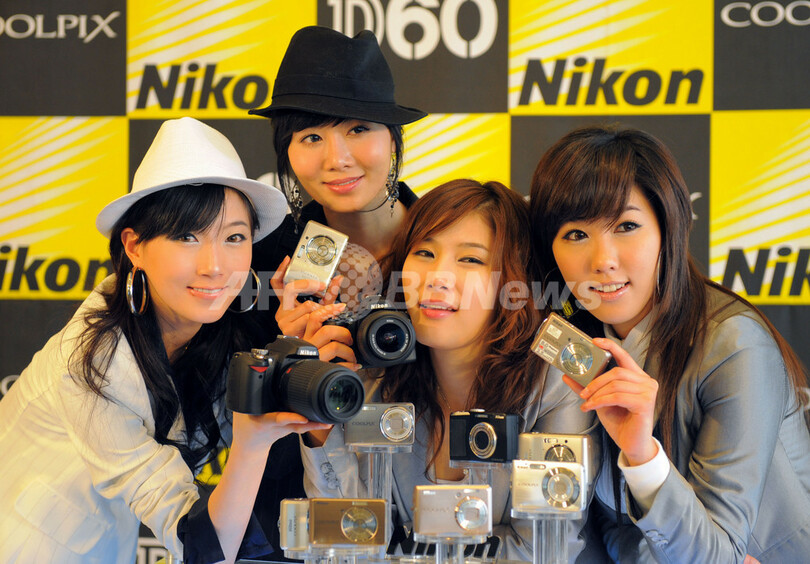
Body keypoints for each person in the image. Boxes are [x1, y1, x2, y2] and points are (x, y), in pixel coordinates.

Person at [0, 117, 333, 563]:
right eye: (186, 236)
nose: (215, 266)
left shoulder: (217, 329)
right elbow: (198, 545)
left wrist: (290, 350)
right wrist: (251, 445)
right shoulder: (90, 363)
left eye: (234, 237)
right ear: (134, 246)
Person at [529, 124, 810, 563]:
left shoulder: (733, 345)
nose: (603, 261)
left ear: (669, 229)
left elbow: (719, 556)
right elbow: (610, 529)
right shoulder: (576, 346)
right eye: (576, 235)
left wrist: (642, 455)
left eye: (626, 226)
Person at [298, 179, 598, 560]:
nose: (437, 277)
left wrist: (398, 546)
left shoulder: (557, 383)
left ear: (515, 281)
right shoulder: (374, 377)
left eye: (470, 260)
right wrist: (321, 425)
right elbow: (346, 538)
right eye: (424, 253)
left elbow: (540, 551)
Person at [245, 26, 426, 558]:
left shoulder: (453, 239)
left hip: (443, 509)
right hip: (309, 524)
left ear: (392, 138)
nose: (337, 158)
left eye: (358, 129)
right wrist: (288, 360)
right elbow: (247, 429)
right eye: (311, 137)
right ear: (287, 150)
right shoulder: (263, 258)